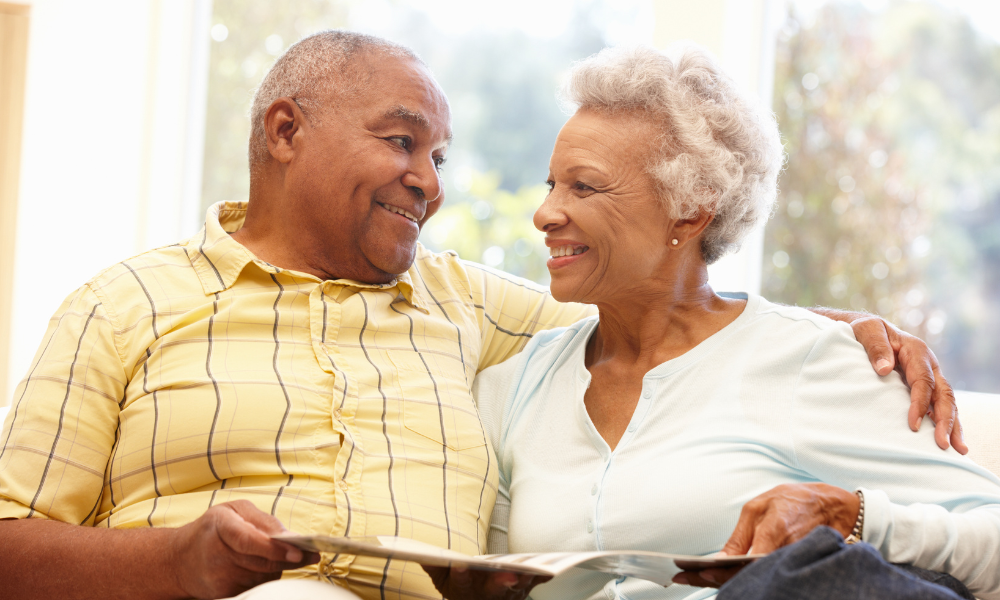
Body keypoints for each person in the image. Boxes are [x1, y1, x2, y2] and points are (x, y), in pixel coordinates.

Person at [0, 31, 966, 600]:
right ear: (285, 132)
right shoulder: (124, 305)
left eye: (441, 157)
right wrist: (180, 562)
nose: (429, 182)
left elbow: (669, 313)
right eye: (401, 142)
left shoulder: (469, 307)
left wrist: (832, 327)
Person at [425, 45, 1000, 600]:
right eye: (552, 183)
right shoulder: (516, 385)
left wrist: (858, 518)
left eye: (585, 186)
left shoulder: (810, 360)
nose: (545, 213)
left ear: (692, 207)